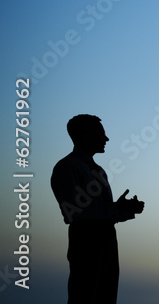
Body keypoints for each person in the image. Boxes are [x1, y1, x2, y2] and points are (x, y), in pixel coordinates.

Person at [51, 114, 145, 303]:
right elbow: (73, 212)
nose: (106, 139)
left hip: (106, 238)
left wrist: (125, 209)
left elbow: (100, 211)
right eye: (100, 133)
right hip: (86, 240)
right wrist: (116, 208)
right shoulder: (67, 167)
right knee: (86, 294)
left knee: (106, 294)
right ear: (84, 135)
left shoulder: (98, 170)